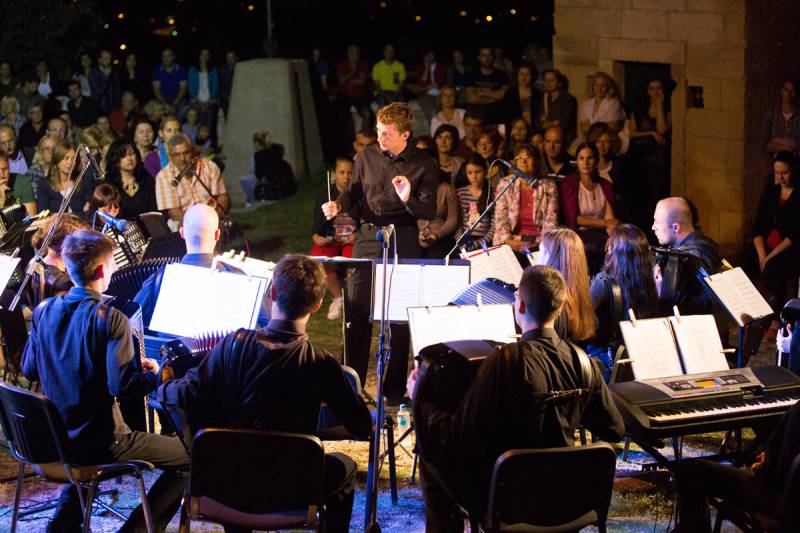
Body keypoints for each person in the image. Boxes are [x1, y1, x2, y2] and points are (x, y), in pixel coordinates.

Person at [157, 254, 372, 533]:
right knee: (345, 467)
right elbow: (361, 426)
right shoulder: (322, 363)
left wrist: (160, 382)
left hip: (227, 482)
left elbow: (187, 394)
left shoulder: (233, 345)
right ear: (318, 305)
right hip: (292, 486)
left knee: (235, 454)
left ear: (272, 292)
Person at [410, 265, 625, 531]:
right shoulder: (584, 363)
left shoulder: (505, 362)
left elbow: (458, 434)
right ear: (559, 309)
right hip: (568, 497)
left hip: (511, 501)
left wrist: (420, 400)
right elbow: (615, 430)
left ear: (519, 306)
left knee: (430, 455)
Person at [22, 229, 188, 532]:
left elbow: (30, 369)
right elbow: (123, 388)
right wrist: (154, 374)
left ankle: (64, 524)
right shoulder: (111, 318)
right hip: (103, 443)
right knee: (190, 456)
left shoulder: (43, 311)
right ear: (101, 270)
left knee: (85, 438)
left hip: (54, 440)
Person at [321, 102, 437, 401]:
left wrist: (408, 197)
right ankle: (351, 387)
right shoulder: (368, 155)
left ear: (405, 135)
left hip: (404, 236)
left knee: (398, 319)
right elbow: (355, 192)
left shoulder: (424, 164)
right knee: (357, 311)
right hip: (369, 235)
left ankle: (394, 389)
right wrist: (339, 205)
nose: (380, 138)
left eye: (386, 134)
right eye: (378, 131)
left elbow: (429, 208)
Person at [673, 402, 800, 533]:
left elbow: (774, 475)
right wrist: (772, 456)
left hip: (783, 504)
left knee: (691, 472)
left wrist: (763, 465)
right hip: (788, 496)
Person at [588, 224, 661, 377]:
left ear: (614, 252)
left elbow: (582, 324)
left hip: (606, 362)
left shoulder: (603, 284)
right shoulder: (651, 282)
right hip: (639, 358)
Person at [741, 151, 800, 335]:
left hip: (789, 249)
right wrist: (761, 254)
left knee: (774, 267)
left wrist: (770, 257)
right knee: (745, 262)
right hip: (765, 247)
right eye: (777, 173)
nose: (780, 177)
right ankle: (748, 314)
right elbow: (758, 227)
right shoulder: (770, 193)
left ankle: (774, 320)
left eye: (785, 172)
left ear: (793, 171)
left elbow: (795, 234)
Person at [135, 204, 221, 326]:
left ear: (182, 233)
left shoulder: (157, 281)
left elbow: (132, 323)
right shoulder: (238, 278)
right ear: (217, 234)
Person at [652, 197, 722, 315]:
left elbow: (705, 305)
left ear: (676, 227)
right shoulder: (707, 243)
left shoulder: (695, 256)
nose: (653, 227)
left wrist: (662, 291)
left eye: (657, 222)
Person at [559, 142, 618, 273]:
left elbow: (610, 220)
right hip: (578, 232)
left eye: (589, 158)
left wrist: (613, 238)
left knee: (617, 246)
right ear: (577, 161)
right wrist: (604, 223)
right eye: (581, 158)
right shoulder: (570, 183)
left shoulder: (605, 185)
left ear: (596, 160)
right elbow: (575, 219)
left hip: (600, 234)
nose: (585, 162)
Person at [311, 156, 357, 320]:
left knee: (354, 260)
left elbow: (365, 219)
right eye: (342, 172)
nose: (346, 177)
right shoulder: (325, 194)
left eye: (350, 173)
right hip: (331, 238)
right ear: (334, 174)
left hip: (352, 238)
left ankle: (354, 299)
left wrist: (358, 234)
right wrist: (316, 236)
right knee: (319, 257)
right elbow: (317, 224)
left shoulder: (358, 193)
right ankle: (338, 297)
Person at [492, 144, 559, 252]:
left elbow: (551, 222)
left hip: (540, 243)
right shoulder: (505, 184)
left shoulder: (549, 186)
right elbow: (501, 220)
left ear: (537, 162)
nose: (523, 161)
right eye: (520, 158)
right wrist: (513, 243)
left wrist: (538, 244)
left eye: (528, 158)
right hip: (511, 241)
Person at [536, 228, 597, 343]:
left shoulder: (549, 307)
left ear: (554, 261)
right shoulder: (581, 296)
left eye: (542, 252)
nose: (536, 259)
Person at [155, 133, 229, 224]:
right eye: (177, 155)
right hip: (184, 223)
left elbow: (223, 198)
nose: (182, 159)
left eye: (186, 153)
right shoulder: (163, 177)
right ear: (170, 157)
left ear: (193, 151)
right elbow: (174, 213)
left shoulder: (209, 166)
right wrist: (198, 225)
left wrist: (213, 220)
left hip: (213, 219)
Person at [628, 78, 672, 228]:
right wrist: (651, 133)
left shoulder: (667, 110)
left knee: (655, 194)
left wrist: (659, 105)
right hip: (639, 157)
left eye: (659, 88)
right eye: (652, 88)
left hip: (657, 159)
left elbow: (662, 129)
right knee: (640, 193)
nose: (655, 92)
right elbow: (632, 133)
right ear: (647, 91)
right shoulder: (640, 109)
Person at [36, 140, 94, 215]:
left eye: (73, 159)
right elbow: (43, 214)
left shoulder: (84, 181)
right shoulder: (45, 184)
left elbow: (88, 211)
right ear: (57, 160)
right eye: (66, 158)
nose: (70, 163)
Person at [105, 137, 158, 219]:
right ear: (115, 160)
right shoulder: (108, 184)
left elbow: (154, 211)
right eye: (124, 156)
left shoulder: (147, 180)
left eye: (132, 153)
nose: (129, 158)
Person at [455, 154, 494, 251]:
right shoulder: (461, 193)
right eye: (470, 173)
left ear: (485, 172)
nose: (474, 176)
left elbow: (494, 227)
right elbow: (458, 222)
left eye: (478, 172)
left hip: (484, 243)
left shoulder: (492, 193)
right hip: (464, 241)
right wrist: (461, 240)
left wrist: (478, 244)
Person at [465, 46, 510, 126]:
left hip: (497, 117)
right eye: (484, 55)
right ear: (479, 58)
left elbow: (503, 96)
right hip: (477, 120)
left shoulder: (502, 75)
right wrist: (493, 97)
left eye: (489, 55)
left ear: (493, 57)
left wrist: (482, 93)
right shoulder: (472, 75)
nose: (487, 58)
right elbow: (471, 98)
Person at [577, 71, 625, 142]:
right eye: (596, 85)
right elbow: (584, 129)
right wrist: (602, 125)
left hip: (607, 140)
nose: (599, 89)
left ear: (608, 87)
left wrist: (591, 127)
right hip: (587, 140)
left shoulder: (614, 104)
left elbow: (611, 128)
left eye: (603, 86)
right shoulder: (585, 104)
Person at [537, 69, 577, 147]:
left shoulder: (567, 99)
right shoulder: (545, 98)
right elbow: (539, 122)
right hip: (547, 136)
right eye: (546, 80)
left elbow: (565, 123)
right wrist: (555, 122)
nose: (548, 83)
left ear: (559, 83)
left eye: (552, 80)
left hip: (564, 138)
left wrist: (548, 123)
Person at [761, 77, 800, 156]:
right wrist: (788, 149)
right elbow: (766, 144)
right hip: (777, 161)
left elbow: (797, 144)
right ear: (781, 91)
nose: (788, 94)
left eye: (792, 91)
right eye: (786, 90)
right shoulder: (771, 114)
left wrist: (776, 140)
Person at [336, 45, 371, 127]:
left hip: (359, 95)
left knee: (367, 113)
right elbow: (341, 81)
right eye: (351, 52)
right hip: (345, 95)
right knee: (342, 115)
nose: (354, 55)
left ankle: (364, 136)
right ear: (347, 54)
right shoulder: (342, 65)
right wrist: (352, 72)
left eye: (356, 53)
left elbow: (361, 81)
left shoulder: (362, 65)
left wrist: (347, 80)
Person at [501, 62, 542, 131]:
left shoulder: (538, 94)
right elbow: (505, 115)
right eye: (521, 74)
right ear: (517, 75)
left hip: (534, 130)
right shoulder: (510, 93)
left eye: (527, 74)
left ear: (532, 76)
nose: (524, 77)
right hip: (514, 129)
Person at [187, 48, 218, 125]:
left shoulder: (213, 70)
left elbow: (215, 87)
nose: (204, 56)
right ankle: (200, 135)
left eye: (207, 54)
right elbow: (191, 89)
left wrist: (208, 101)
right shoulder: (192, 69)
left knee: (211, 116)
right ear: (199, 56)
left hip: (210, 99)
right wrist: (199, 102)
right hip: (196, 99)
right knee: (199, 114)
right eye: (202, 54)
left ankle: (209, 135)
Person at [152, 48, 188, 114]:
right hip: (162, 99)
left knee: (182, 112)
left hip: (178, 99)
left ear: (174, 57)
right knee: (156, 111)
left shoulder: (181, 69)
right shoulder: (157, 70)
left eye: (168, 56)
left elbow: (183, 90)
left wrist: (173, 104)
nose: (166, 58)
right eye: (164, 56)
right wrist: (165, 104)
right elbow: (156, 91)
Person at [0, 151, 36, 215]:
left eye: (5, 169)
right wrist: (2, 201)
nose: (1, 175)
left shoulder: (22, 181)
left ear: (9, 167)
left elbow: (31, 215)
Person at [89, 49, 121, 115]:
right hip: (99, 109)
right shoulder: (93, 73)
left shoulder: (114, 72)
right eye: (106, 58)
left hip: (113, 109)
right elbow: (99, 91)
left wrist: (117, 107)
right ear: (99, 60)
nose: (109, 61)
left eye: (109, 58)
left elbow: (117, 91)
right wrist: (106, 77)